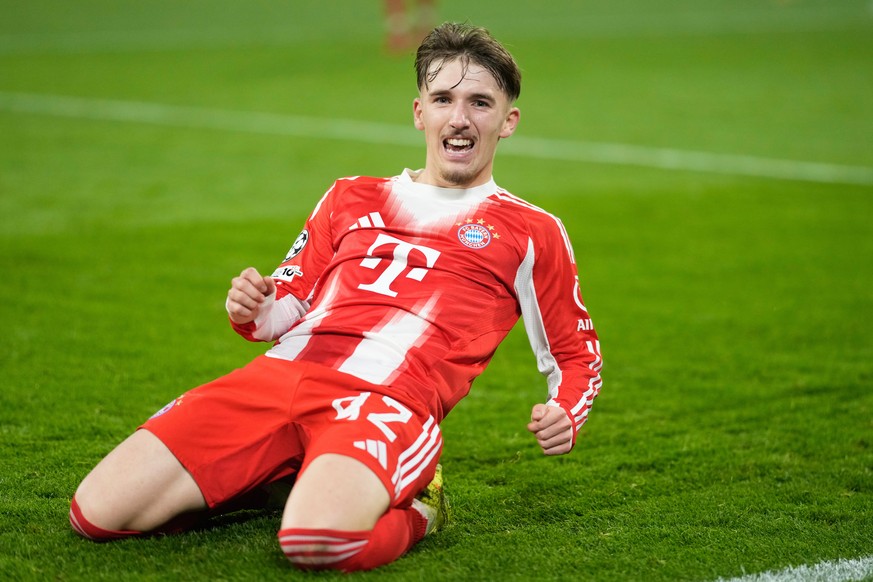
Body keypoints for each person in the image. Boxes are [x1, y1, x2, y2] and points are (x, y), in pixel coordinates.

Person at [69, 22, 603, 572]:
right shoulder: (350, 194)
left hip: (386, 402)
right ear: (420, 112)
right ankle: (276, 477)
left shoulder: (532, 231)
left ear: (507, 121)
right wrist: (251, 308)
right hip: (277, 380)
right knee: (96, 514)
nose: (460, 118)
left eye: (480, 103)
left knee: (314, 543)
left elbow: (575, 354)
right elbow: (282, 310)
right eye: (443, 99)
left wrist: (565, 410)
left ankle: (422, 505)